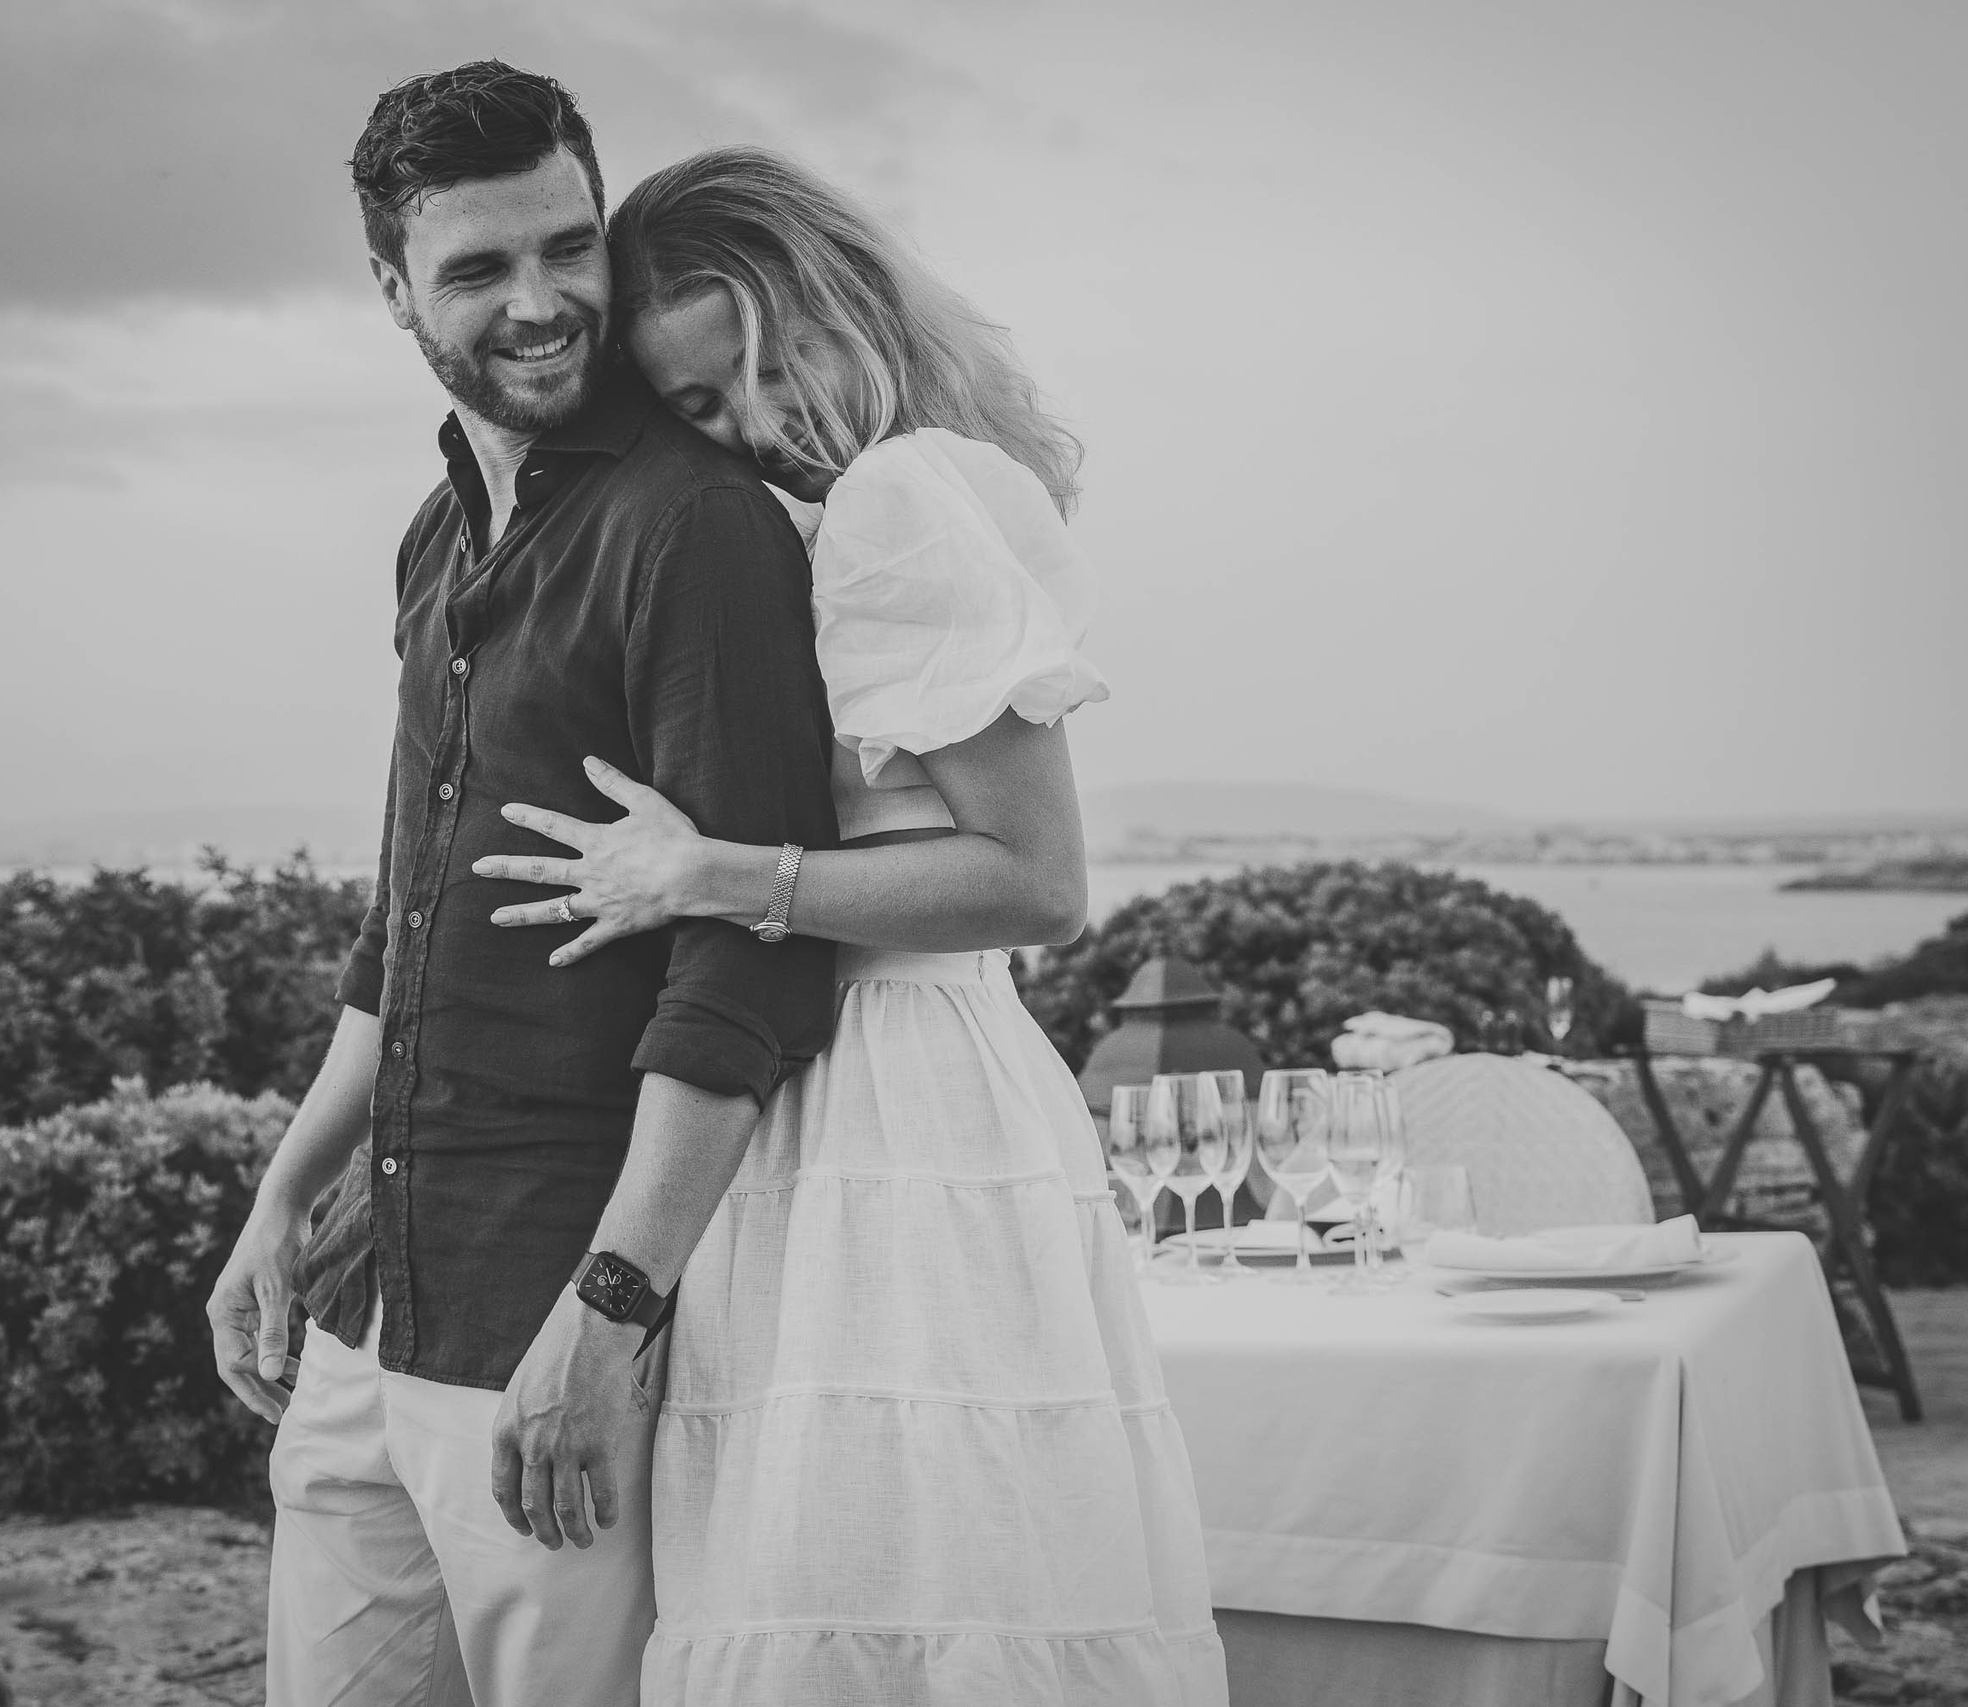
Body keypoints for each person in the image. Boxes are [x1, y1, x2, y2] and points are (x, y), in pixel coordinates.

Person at [472, 146, 1229, 1705]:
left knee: (911, 1570)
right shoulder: (842, 502)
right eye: (697, 406)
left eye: (765, 362)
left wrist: (718, 875)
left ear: (840, 304)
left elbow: (1036, 881)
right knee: (842, 1573)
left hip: (906, 1104)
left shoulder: (897, 494)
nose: (753, 421)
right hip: (812, 1102)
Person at [203, 71, 840, 1707]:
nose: (544, 304)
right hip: (370, 1296)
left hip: (554, 1326)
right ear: (394, 291)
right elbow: (405, 921)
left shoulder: (696, 528)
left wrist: (609, 1316)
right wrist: (283, 1198)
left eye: (570, 248)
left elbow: (748, 971)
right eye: (480, 269)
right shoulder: (435, 535)